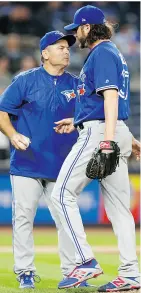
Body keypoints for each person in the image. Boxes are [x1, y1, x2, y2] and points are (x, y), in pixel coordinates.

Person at [51, 6, 140, 291]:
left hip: (102, 132)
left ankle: (84, 260)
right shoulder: (114, 53)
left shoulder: (101, 53)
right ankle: (130, 274)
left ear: (88, 28)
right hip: (113, 128)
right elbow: (108, 101)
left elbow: (111, 96)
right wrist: (125, 135)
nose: (74, 35)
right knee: (119, 209)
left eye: (76, 29)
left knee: (61, 194)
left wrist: (107, 139)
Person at [0, 30, 90, 290]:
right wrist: (13, 134)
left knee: (65, 220)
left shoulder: (76, 85)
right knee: (23, 218)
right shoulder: (24, 81)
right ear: (44, 53)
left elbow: (87, 118)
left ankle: (72, 271)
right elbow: (2, 113)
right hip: (27, 162)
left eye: (67, 47)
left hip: (62, 164)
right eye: (59, 46)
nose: (66, 50)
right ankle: (25, 272)